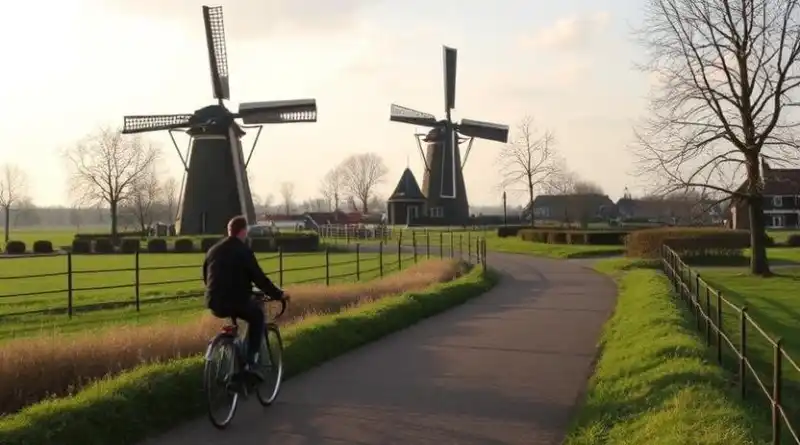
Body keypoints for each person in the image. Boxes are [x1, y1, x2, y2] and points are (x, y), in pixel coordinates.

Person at [203, 215, 290, 382]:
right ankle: (250, 363)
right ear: (243, 232)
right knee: (257, 316)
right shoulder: (243, 251)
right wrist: (279, 294)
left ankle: (234, 354)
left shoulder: (213, 250)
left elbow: (207, 277)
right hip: (235, 300)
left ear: (229, 231)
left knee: (237, 321)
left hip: (213, 302)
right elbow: (259, 278)